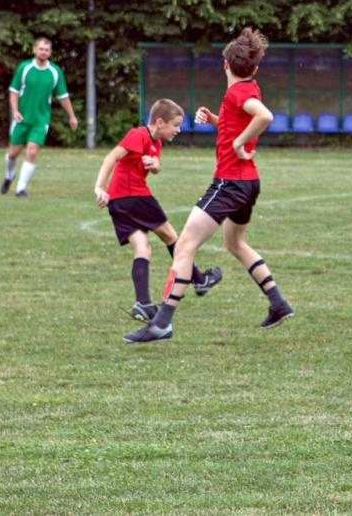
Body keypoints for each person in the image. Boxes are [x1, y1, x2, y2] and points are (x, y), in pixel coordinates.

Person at [124, 28, 293, 343]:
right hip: (248, 182)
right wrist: (217, 121)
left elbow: (264, 116)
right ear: (254, 68)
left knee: (184, 247)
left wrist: (241, 141)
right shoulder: (250, 87)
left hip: (229, 183)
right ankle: (278, 303)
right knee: (235, 244)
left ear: (224, 64)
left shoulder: (237, 92)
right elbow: (242, 121)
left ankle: (161, 323)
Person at [93, 99, 222, 322]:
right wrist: (99, 187)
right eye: (175, 125)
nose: (178, 130)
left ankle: (142, 303)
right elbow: (112, 157)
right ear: (160, 122)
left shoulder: (156, 143)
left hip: (119, 202)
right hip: (134, 196)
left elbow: (155, 167)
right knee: (173, 237)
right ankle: (200, 280)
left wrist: (155, 165)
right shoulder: (138, 134)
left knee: (142, 247)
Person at [0, 37, 78, 198]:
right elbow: (14, 91)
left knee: (32, 151)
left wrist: (72, 116)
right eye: (41, 49)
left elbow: (63, 96)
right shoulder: (25, 68)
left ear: (50, 53)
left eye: (47, 50)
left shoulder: (55, 72)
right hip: (21, 118)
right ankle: (9, 175)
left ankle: (20, 189)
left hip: (41, 120)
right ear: (34, 50)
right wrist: (15, 111)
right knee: (13, 153)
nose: (43, 52)